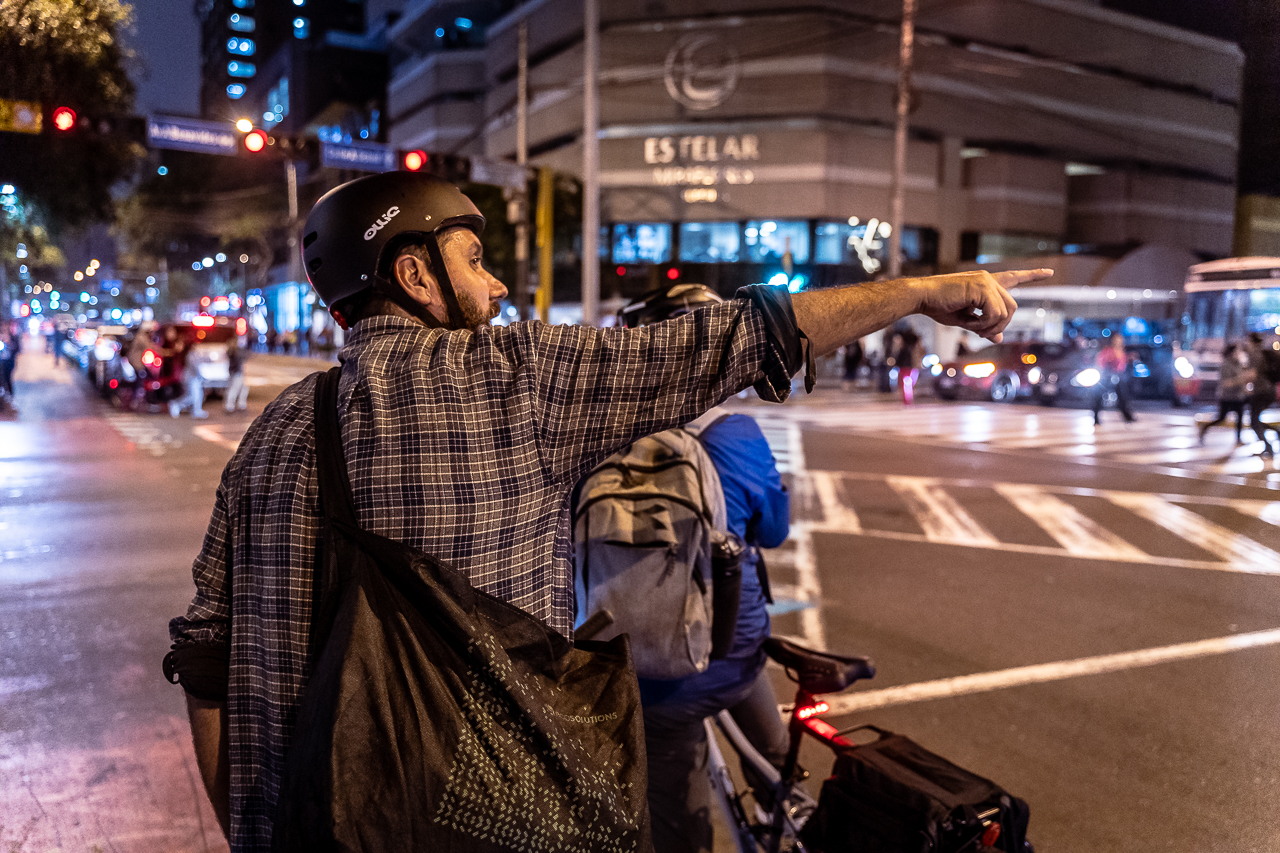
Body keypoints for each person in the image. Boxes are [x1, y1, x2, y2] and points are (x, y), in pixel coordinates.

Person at [163, 170, 1044, 850]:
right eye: (474, 261)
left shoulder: (272, 434)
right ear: (415, 274)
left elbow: (205, 658)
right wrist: (921, 292)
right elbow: (748, 336)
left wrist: (251, 829)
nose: (497, 288)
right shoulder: (515, 380)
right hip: (491, 823)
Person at [607, 283, 793, 853]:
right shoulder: (736, 432)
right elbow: (773, 532)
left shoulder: (605, 432)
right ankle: (785, 810)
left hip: (652, 663)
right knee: (776, 755)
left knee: (679, 819)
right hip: (733, 647)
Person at [1199, 343, 1250, 445]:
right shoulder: (1225, 365)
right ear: (1231, 353)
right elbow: (1226, 383)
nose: (1238, 353)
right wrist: (1241, 380)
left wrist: (1245, 388)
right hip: (1227, 397)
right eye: (1236, 351)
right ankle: (1205, 427)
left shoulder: (1239, 364)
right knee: (1221, 418)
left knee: (1240, 417)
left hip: (1238, 396)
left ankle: (1238, 439)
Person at [1246, 332, 1280, 455]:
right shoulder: (1265, 353)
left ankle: (1268, 447)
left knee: (1254, 421)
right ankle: (1275, 433)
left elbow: (1252, 374)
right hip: (1270, 391)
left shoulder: (1254, 354)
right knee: (1255, 420)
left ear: (1251, 341)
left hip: (1261, 391)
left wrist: (1241, 383)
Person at [1092, 334, 1135, 425]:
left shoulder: (1121, 352)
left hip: (1118, 377)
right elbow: (1102, 361)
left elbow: (1121, 366)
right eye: (1117, 340)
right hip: (1107, 376)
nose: (1119, 341)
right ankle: (1095, 417)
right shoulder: (1108, 350)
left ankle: (1127, 416)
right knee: (1099, 397)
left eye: (1120, 340)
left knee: (1123, 397)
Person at [224, 337, 250, 413]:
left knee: (242, 388)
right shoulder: (235, 352)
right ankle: (230, 406)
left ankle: (239, 404)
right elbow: (242, 359)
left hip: (233, 372)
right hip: (237, 373)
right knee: (234, 389)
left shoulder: (231, 352)